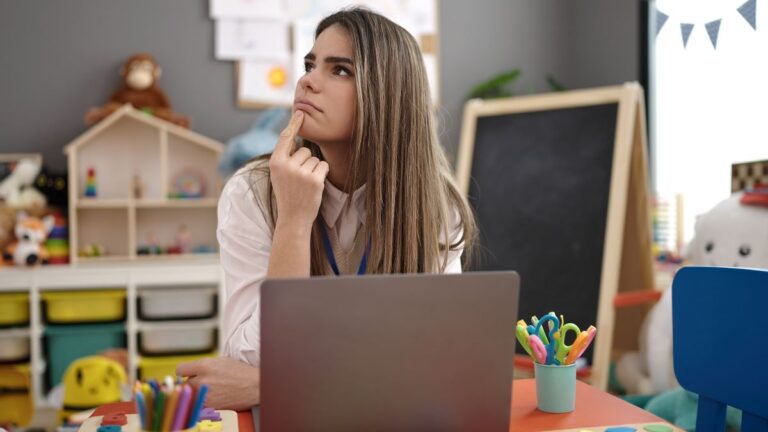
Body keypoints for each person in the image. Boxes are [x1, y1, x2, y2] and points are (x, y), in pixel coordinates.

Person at [177, 7, 477, 409]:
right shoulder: (251, 192)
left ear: (388, 95)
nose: (306, 81)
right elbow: (250, 358)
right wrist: (294, 222)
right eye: (310, 64)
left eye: (340, 70)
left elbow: (431, 365)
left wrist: (268, 386)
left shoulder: (435, 205)